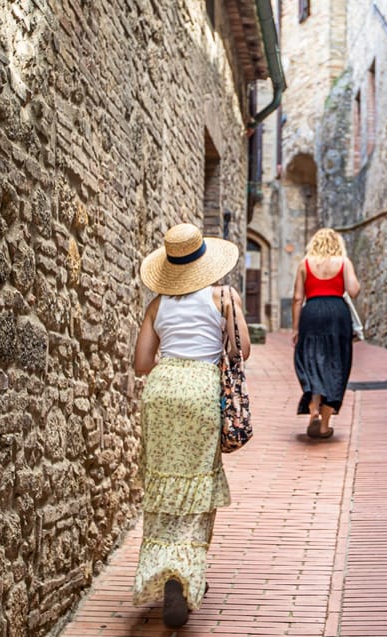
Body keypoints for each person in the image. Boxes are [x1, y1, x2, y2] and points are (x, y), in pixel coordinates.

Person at [132, 222, 250, 628]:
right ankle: (185, 573)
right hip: (201, 389)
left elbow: (142, 364)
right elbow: (242, 351)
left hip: (162, 390)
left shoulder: (156, 304)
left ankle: (164, 568)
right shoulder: (224, 296)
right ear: (204, 260)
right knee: (197, 481)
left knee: (164, 482)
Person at [292, 228, 362, 439]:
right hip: (337, 313)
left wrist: (295, 328)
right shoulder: (344, 262)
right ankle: (324, 426)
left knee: (311, 359)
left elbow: (297, 298)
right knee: (336, 363)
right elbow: (354, 291)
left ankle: (314, 406)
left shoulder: (305, 264)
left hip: (312, 312)